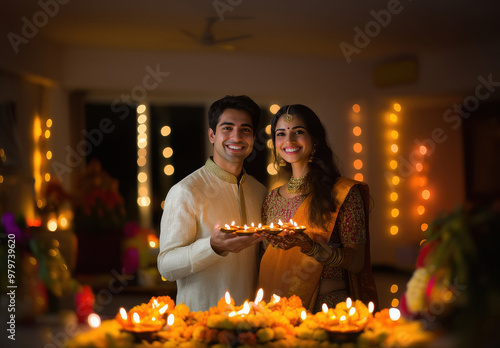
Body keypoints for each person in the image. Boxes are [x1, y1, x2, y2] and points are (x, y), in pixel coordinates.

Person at [258, 104, 378, 313]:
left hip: (327, 309)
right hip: (280, 311)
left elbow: (357, 262)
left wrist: (311, 247)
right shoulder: (270, 199)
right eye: (281, 134)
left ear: (315, 140)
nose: (289, 140)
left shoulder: (342, 192)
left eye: (298, 132)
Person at [158, 95, 267, 312]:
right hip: (200, 323)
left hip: (251, 325)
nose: (236, 137)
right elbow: (166, 267)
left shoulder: (259, 191)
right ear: (212, 135)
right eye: (227, 128)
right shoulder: (186, 191)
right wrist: (212, 246)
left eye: (245, 130)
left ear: (253, 138)